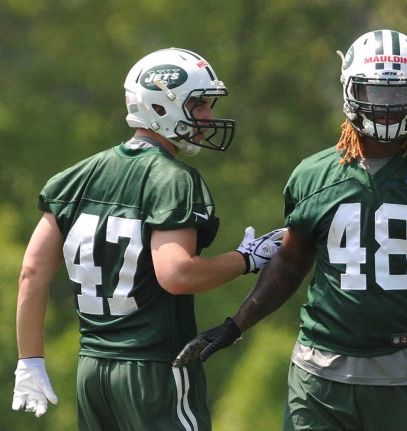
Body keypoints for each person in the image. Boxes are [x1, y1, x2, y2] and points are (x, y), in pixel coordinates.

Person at [174, 29, 407, 431]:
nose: (388, 108)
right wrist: (237, 325)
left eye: (398, 94)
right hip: (320, 372)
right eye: (375, 93)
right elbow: (289, 264)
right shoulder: (314, 175)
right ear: (351, 91)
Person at [12, 47, 285, 430]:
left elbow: (32, 272)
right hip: (154, 370)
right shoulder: (173, 179)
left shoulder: (75, 177)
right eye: (200, 104)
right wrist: (247, 258)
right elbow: (177, 274)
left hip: (92, 372)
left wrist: (30, 360)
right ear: (161, 106)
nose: (208, 116)